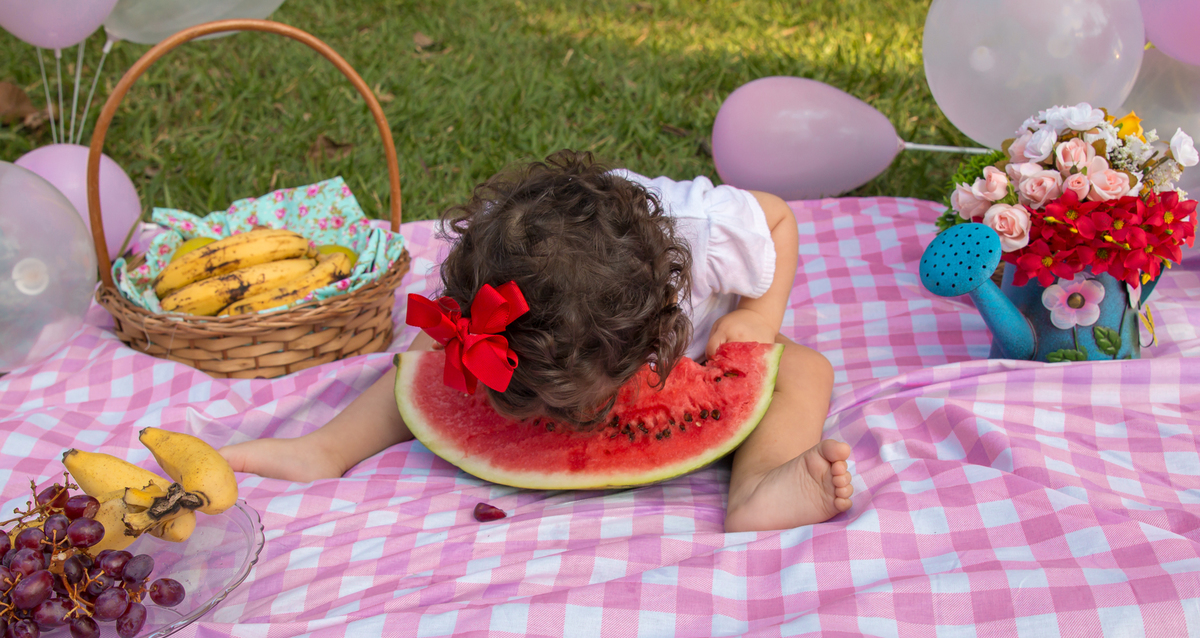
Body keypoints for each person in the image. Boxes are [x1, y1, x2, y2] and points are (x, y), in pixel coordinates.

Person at [220, 150, 853, 532]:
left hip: (707, 336)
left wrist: (760, 317)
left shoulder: (708, 231)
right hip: (533, 329)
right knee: (426, 355)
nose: (571, 425)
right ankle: (326, 447)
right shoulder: (495, 258)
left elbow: (778, 214)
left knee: (806, 371)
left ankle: (760, 485)